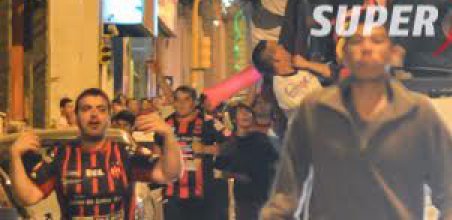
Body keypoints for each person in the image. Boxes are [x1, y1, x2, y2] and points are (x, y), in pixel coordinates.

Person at [260, 23, 452, 219]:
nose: (367, 48)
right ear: (344, 55)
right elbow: (285, 197)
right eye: (357, 41)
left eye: (377, 41)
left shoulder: (417, 113)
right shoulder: (315, 112)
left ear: (392, 54)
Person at [8, 88, 182, 219]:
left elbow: (169, 173)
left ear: (108, 118)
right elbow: (29, 196)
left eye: (101, 109)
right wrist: (15, 155)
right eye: (86, 109)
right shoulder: (61, 157)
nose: (94, 115)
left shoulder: (125, 154)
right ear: (76, 116)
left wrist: (168, 135)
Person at [163, 85, 226, 219]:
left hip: (202, 194)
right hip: (172, 194)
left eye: (186, 99)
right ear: (173, 102)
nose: (181, 104)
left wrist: (206, 149)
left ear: (194, 102)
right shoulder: (166, 123)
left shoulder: (209, 122)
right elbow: (157, 150)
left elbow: (230, 145)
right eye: (178, 100)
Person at [214, 103, 279, 220]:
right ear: (234, 119)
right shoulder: (229, 144)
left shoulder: (262, 139)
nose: (245, 115)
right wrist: (236, 176)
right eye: (241, 113)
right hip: (244, 199)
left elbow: (276, 162)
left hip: (267, 196)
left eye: (248, 112)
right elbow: (219, 171)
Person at [252, 41, 329, 119]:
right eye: (278, 46)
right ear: (276, 58)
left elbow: (331, 72)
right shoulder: (284, 91)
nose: (282, 46)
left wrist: (307, 64)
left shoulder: (299, 62)